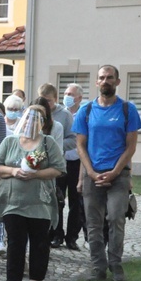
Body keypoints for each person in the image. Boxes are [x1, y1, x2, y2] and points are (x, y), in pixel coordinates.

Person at [0, 105, 66, 281]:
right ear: (22, 120)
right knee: (15, 242)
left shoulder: (47, 142)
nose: (31, 122)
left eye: (37, 119)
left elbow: (58, 169)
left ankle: (36, 278)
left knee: (39, 241)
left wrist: (37, 174)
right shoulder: (11, 141)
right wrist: (12, 171)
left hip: (39, 201)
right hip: (13, 201)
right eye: (28, 118)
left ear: (42, 123)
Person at [73, 65, 141, 281]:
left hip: (119, 175)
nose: (105, 81)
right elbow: (80, 146)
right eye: (101, 78)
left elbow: (130, 146)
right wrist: (91, 174)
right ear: (96, 82)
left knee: (115, 218)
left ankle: (116, 265)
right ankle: (97, 267)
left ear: (117, 82)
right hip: (93, 174)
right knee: (93, 223)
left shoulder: (128, 110)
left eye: (110, 78)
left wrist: (115, 172)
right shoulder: (86, 111)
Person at [58, 83, 86, 250]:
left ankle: (72, 237)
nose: (67, 96)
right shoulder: (60, 114)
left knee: (76, 201)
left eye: (71, 94)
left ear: (79, 98)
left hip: (77, 162)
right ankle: (57, 235)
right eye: (66, 93)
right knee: (58, 199)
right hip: (61, 161)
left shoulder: (83, 114)